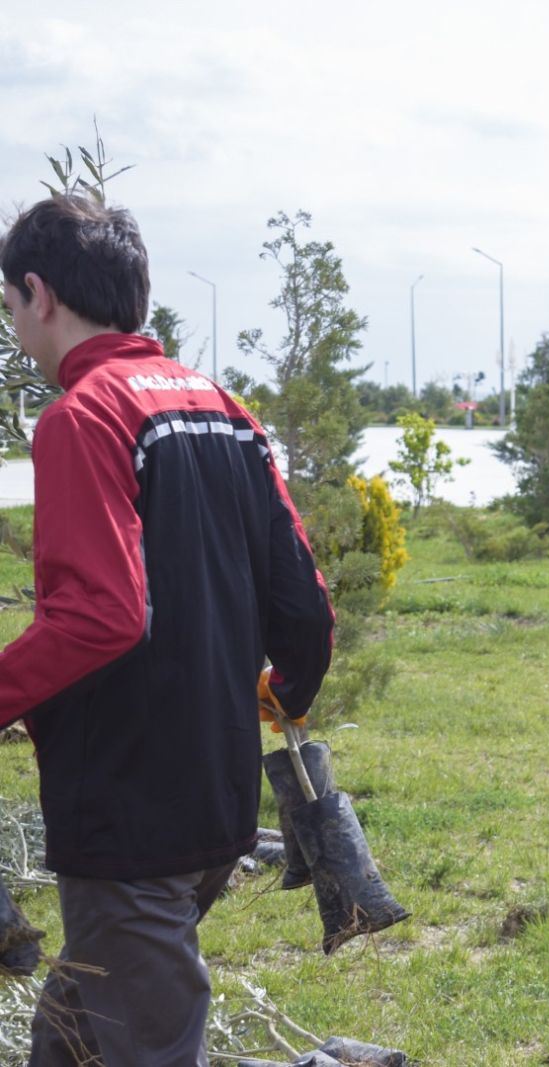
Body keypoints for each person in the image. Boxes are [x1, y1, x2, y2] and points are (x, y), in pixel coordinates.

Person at [0, 194, 334, 1066]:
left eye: (9, 306)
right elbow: (306, 608)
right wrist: (284, 689)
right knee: (79, 1022)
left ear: (39, 293)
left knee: (144, 1032)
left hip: (127, 811)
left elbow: (102, 612)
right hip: (215, 800)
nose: (15, 329)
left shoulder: (82, 416)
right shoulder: (224, 408)